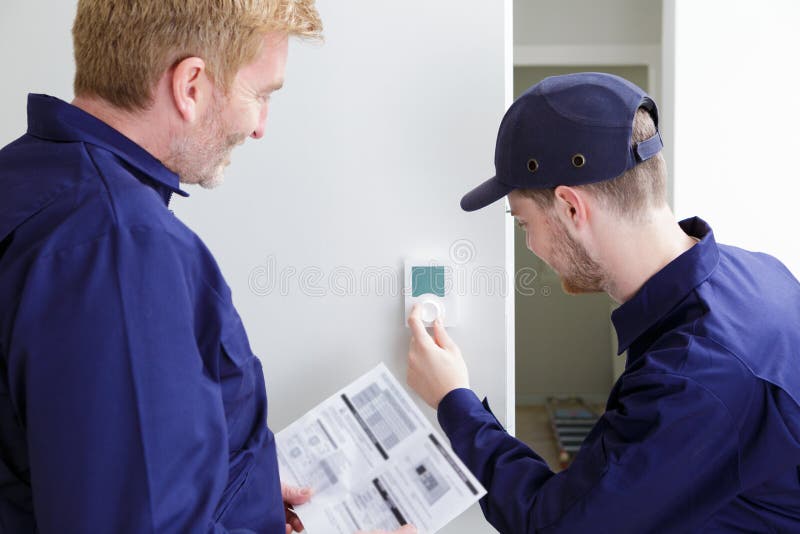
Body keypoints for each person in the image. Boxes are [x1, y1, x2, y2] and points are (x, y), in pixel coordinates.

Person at [0, 2, 416, 533]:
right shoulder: (120, 246)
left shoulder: (31, 178)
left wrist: (243, 491)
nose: (260, 125)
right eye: (261, 95)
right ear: (191, 85)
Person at [406, 72, 800, 532]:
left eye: (522, 223)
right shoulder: (758, 272)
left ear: (572, 208)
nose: (529, 245)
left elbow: (554, 525)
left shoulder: (695, 376)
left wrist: (454, 402)